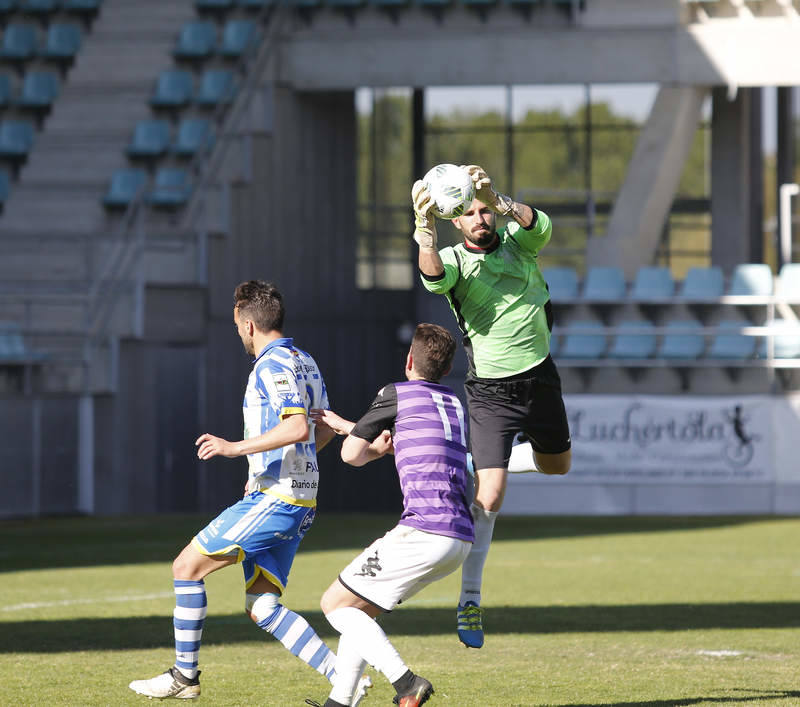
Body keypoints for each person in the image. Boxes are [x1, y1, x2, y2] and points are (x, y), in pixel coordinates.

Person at [129, 280, 370, 705]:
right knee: (262, 606)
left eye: (238, 325)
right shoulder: (305, 361)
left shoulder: (271, 365)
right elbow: (321, 431)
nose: (238, 333)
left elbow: (296, 427)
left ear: (248, 323)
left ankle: (185, 677)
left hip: (278, 499)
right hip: (296, 496)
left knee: (186, 567)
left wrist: (234, 448)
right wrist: (268, 466)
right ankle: (343, 676)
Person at [411, 165, 572, 649]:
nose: (480, 218)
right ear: (456, 221)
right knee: (491, 497)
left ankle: (477, 462)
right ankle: (470, 599)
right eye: (470, 213)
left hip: (541, 378)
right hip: (492, 392)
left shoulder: (519, 243)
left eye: (484, 212)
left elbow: (537, 224)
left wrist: (497, 196)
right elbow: (434, 278)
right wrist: (424, 236)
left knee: (558, 467)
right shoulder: (453, 259)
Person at [306, 323, 474, 707]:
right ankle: (340, 703)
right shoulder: (452, 404)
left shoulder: (394, 393)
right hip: (459, 537)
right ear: (446, 370)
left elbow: (352, 455)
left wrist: (355, 439)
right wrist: (355, 429)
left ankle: (406, 682)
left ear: (409, 359)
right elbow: (413, 445)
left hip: (424, 532)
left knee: (335, 604)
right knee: (361, 611)